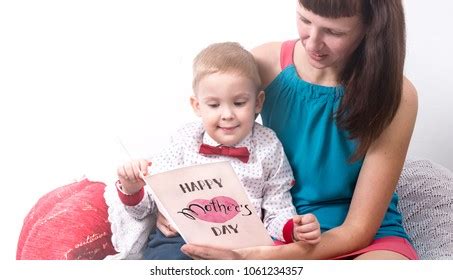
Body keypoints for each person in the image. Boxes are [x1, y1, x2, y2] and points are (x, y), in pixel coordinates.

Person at [175, 0, 419, 260]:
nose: (312, 42)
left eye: (334, 32)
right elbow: (212, 135)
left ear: (370, 27)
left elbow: (359, 229)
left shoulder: (399, 95)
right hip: (284, 225)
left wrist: (258, 260)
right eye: (305, 20)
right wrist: (172, 207)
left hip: (365, 236)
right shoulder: (265, 63)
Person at [113, 42, 321, 260]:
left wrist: (293, 228)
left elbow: (277, 208)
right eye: (214, 105)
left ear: (258, 102)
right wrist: (132, 188)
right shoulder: (184, 141)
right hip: (181, 238)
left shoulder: (268, 146)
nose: (227, 114)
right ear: (197, 106)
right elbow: (145, 210)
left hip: (242, 245)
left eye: (239, 103)